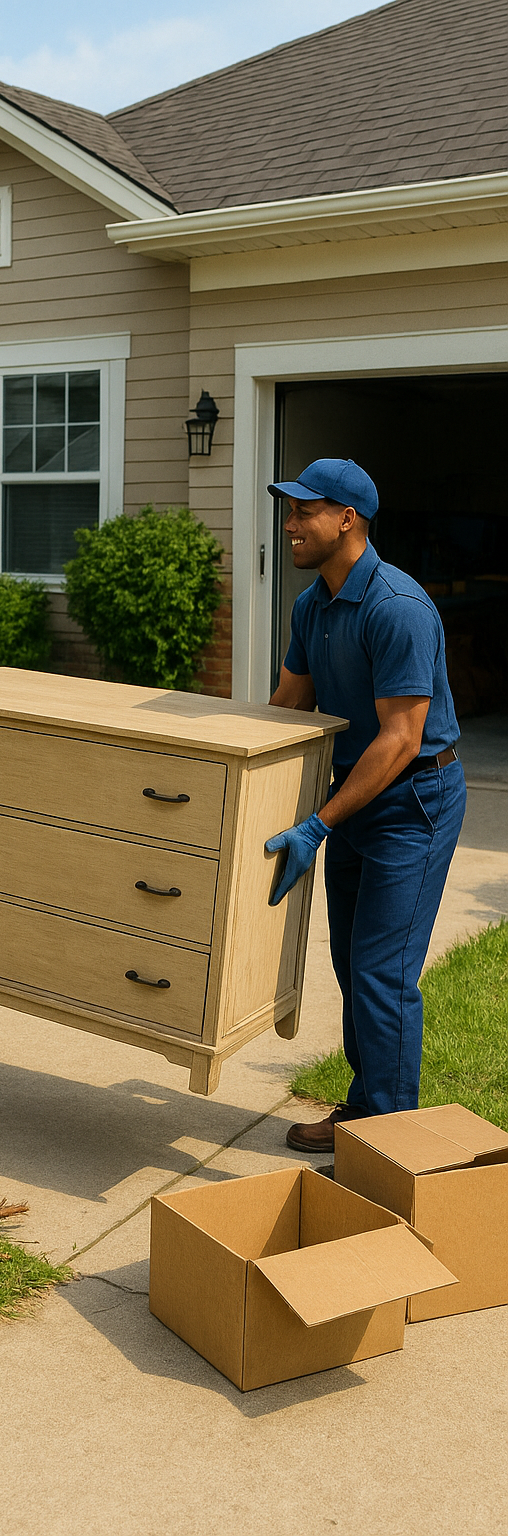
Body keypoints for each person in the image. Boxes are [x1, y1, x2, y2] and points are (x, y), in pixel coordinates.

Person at [264, 458, 466, 1153]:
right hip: (350, 796)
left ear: (347, 519)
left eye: (304, 511)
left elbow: (402, 736)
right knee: (353, 964)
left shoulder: (397, 609)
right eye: (289, 511)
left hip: (413, 800)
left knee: (384, 969)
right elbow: (289, 703)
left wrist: (320, 822)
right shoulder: (312, 604)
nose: (290, 525)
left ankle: (387, 1135)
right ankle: (367, 1108)